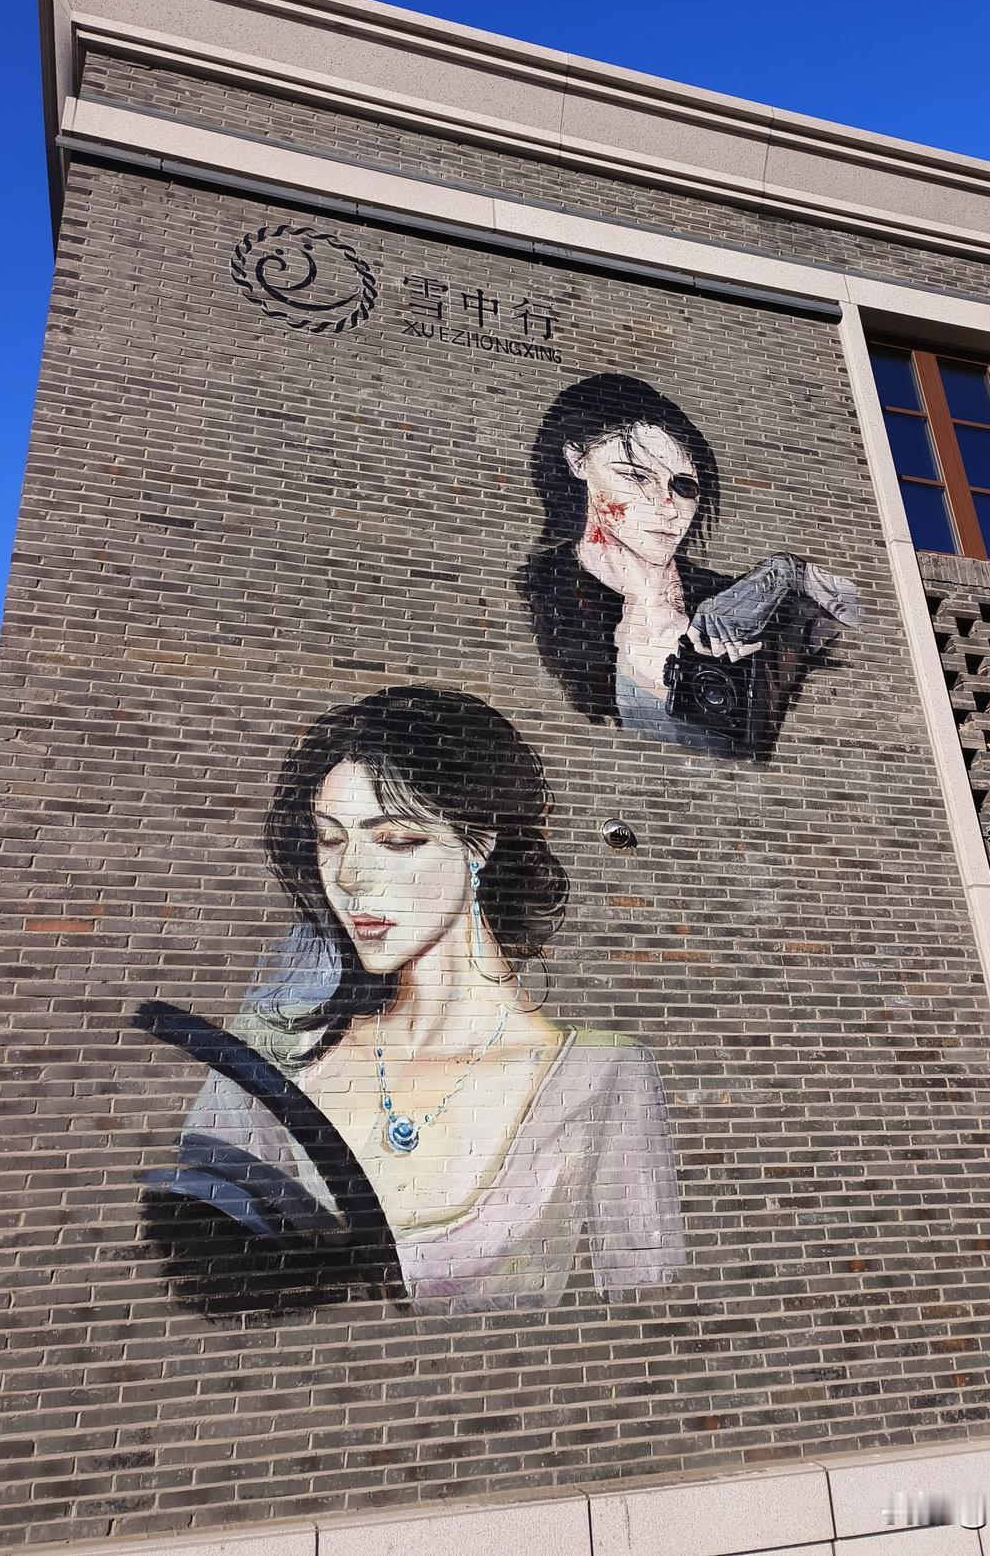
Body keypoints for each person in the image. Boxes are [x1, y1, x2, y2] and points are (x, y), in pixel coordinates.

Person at [142, 687, 683, 1312]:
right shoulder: (270, 1047)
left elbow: (650, 1316)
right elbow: (199, 1279)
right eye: (329, 839)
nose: (349, 877)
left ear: (480, 845)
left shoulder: (601, 1075)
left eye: (395, 840)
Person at [517, 373, 860, 756]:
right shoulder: (538, 593)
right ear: (578, 461)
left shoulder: (737, 603)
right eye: (636, 477)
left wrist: (788, 572)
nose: (667, 508)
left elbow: (878, 623)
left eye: (683, 487)